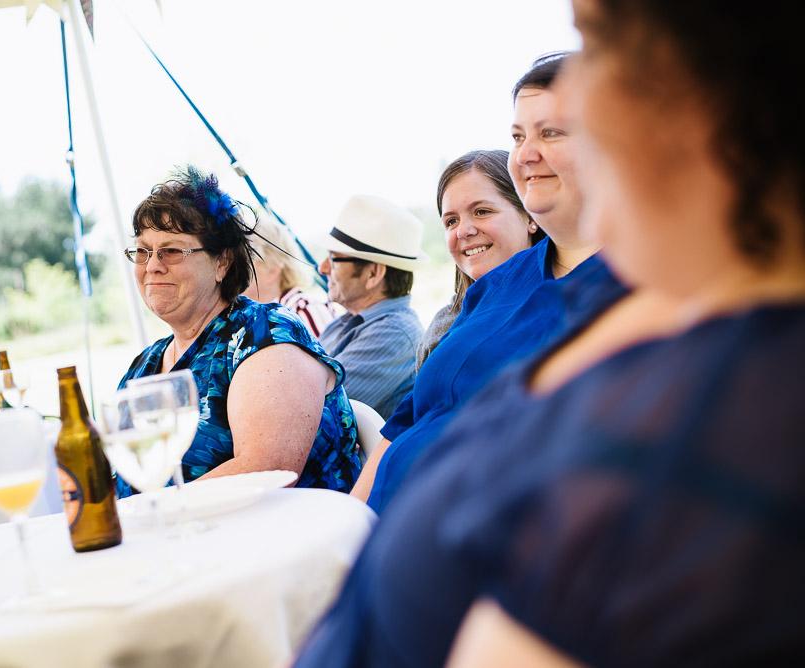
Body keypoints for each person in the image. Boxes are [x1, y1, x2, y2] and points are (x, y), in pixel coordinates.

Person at [295, 0, 805, 665]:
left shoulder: (717, 405)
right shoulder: (559, 307)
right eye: (518, 135)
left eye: (602, 47)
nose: (585, 105)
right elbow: (409, 430)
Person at [352, 52, 611, 512]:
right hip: (381, 532)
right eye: (517, 136)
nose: (527, 154)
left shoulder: (638, 287)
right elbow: (405, 424)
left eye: (550, 132)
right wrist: (349, 520)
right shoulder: (496, 287)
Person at [116, 166, 360, 494]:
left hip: (280, 537)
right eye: (143, 251)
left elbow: (266, 470)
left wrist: (149, 517)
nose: (152, 265)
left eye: (171, 251)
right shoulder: (145, 364)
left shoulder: (264, 334)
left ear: (222, 263)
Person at [415, 149, 544, 370]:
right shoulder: (443, 325)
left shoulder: (563, 307)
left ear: (531, 217)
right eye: (451, 221)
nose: (462, 231)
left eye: (482, 211)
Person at [316, 194, 428, 420]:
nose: (322, 268)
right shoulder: (346, 322)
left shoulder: (394, 333)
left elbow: (312, 407)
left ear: (374, 273)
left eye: (334, 258)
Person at [243, 214, 336, 338]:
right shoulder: (254, 318)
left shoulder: (304, 311)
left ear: (272, 269)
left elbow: (329, 356)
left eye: (244, 263)